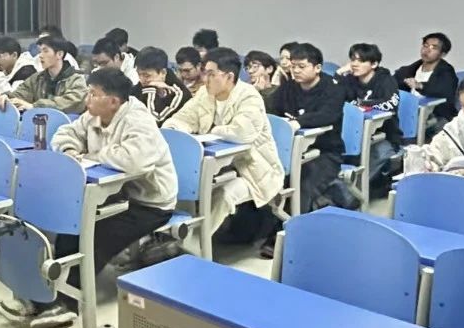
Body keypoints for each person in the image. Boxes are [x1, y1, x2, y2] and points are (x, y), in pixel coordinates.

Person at [0, 67, 178, 328]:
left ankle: (67, 305)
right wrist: (71, 150)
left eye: (93, 94)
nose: (87, 99)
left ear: (113, 101)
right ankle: (42, 296)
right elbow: (64, 134)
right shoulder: (94, 115)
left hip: (150, 203)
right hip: (115, 194)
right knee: (70, 227)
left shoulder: (138, 122)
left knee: (94, 237)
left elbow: (134, 161)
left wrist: (92, 155)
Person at [166, 47, 283, 236]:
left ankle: (197, 242)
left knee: (224, 194)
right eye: (205, 73)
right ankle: (181, 235)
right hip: (219, 166)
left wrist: (213, 131)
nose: (205, 79)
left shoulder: (249, 96)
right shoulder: (205, 94)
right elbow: (183, 118)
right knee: (182, 184)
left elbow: (242, 132)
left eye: (211, 74)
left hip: (253, 170)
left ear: (229, 76)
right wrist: (174, 130)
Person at [267, 43, 353, 223]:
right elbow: (271, 111)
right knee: (268, 180)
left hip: (324, 153)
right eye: (293, 67)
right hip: (289, 152)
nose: (296, 71)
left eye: (302, 66)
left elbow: (328, 115)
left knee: (303, 185)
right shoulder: (288, 87)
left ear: (317, 68)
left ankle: (294, 229)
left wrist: (299, 122)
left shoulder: (333, 88)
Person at [337, 43, 402, 190]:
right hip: (352, 136)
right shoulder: (349, 80)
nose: (354, 64)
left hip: (384, 136)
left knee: (375, 155)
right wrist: (339, 73)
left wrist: (363, 104)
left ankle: (348, 194)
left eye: (361, 61)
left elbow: (390, 104)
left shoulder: (386, 80)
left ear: (374, 64)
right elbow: (332, 97)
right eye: (353, 60)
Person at [0, 35, 86, 113]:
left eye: (45, 51)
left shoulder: (76, 79)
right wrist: (7, 97)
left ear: (59, 54)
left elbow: (69, 102)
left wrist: (34, 106)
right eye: (40, 51)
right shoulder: (37, 78)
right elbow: (21, 93)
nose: (40, 55)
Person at [394, 32, 459, 131]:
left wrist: (420, 86)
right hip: (409, 112)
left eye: (434, 48)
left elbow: (444, 90)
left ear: (443, 54)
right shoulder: (412, 68)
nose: (427, 50)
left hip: (436, 116)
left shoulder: (447, 72)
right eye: (425, 45)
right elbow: (393, 82)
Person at [133, 47, 192, 126]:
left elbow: (156, 122)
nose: (141, 80)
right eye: (139, 74)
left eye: (147, 75)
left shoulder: (180, 93)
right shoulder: (137, 89)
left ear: (163, 73)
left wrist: (150, 91)